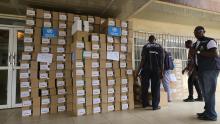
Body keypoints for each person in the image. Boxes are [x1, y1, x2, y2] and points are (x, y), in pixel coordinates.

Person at [194, 26, 219, 121]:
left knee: (209, 92)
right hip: (201, 70)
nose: (197, 33)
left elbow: (214, 54)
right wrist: (195, 70)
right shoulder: (196, 43)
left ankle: (212, 115)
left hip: (210, 69)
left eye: (199, 31)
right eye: (195, 32)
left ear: (204, 32)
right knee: (205, 93)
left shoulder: (210, 41)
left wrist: (198, 51)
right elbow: (195, 57)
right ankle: (207, 111)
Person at [136, 35, 164, 110]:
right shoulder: (160, 47)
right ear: (155, 39)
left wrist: (138, 71)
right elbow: (161, 61)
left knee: (144, 87)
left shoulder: (145, 46)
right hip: (156, 70)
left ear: (149, 40)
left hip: (146, 70)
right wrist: (162, 71)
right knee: (155, 88)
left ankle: (144, 104)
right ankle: (155, 106)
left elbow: (143, 60)